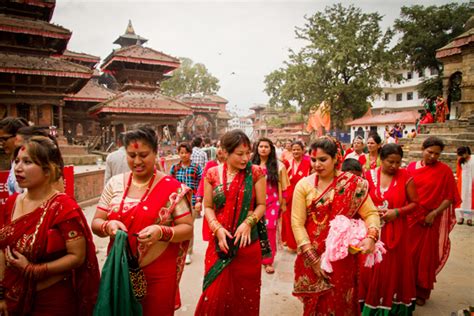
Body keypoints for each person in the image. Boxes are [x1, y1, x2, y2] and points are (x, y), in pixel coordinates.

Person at [92, 126, 194, 315]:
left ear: (156, 153)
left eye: (144, 155)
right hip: (120, 270)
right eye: (131, 155)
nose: (137, 161)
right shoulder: (115, 183)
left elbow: (187, 228)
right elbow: (96, 223)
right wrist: (108, 226)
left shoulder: (172, 188)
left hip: (159, 273)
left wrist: (162, 232)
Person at [0, 136, 100, 315]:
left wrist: (34, 270)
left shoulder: (63, 207)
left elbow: (77, 256)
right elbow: (1, 249)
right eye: (17, 161)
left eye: (28, 162)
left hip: (52, 300)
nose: (18, 168)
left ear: (48, 170)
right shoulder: (11, 203)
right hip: (12, 296)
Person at [291, 137, 380, 315]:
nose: (317, 164)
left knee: (341, 301)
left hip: (342, 257)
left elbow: (371, 214)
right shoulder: (304, 186)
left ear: (336, 158)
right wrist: (313, 259)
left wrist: (371, 237)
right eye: (314, 160)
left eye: (323, 159)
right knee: (315, 305)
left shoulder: (353, 184)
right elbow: (297, 223)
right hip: (312, 254)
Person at [195, 130, 269, 315]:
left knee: (245, 297)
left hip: (247, 244)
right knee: (214, 295)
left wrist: (248, 223)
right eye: (240, 154)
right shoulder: (212, 173)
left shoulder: (256, 172)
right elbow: (209, 207)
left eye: (248, 153)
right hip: (220, 244)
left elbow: (261, 205)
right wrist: (217, 228)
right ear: (225, 153)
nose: (246, 158)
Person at [359, 144, 418, 315]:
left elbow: (415, 203)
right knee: (369, 268)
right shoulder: (368, 175)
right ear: (381, 159)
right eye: (390, 162)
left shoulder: (406, 176)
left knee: (391, 269)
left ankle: (389, 305)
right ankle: (368, 303)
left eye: (398, 162)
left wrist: (397, 212)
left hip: (396, 231)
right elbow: (360, 200)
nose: (394, 166)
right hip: (371, 230)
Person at [407, 136, 461, 306]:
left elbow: (450, 197)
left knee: (426, 257)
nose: (432, 156)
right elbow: (405, 193)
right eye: (430, 152)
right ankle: (406, 290)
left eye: (437, 154)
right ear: (423, 149)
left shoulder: (444, 171)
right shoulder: (411, 168)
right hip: (411, 218)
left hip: (430, 220)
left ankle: (422, 291)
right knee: (408, 256)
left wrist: (435, 213)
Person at [251, 137, 289, 274]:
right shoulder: (250, 165)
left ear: (271, 149)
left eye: (266, 147)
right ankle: (255, 257)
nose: (263, 149)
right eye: (261, 146)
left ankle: (268, 261)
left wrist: (283, 204)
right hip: (254, 203)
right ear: (257, 148)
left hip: (272, 202)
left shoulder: (279, 166)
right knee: (254, 229)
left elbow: (284, 188)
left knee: (270, 230)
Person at [170, 142, 203, 264]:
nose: (183, 155)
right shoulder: (174, 168)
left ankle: (188, 252)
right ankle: (179, 249)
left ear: (190, 153)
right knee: (178, 226)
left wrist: (199, 200)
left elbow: (201, 185)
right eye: (181, 153)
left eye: (186, 153)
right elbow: (171, 184)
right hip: (179, 203)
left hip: (193, 201)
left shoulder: (196, 168)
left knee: (189, 227)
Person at [282, 141, 312, 252]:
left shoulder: (308, 162)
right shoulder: (287, 163)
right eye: (293, 149)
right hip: (289, 196)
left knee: (303, 219)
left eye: (298, 149)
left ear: (303, 150)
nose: (295, 151)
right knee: (289, 219)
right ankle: (292, 244)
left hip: (304, 194)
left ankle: (303, 243)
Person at [196, 141, 226, 241]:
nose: (220, 149)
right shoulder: (210, 164)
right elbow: (203, 183)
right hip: (213, 203)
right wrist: (199, 200)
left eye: (223, 146)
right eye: (218, 147)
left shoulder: (233, 164)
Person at [0, 117, 28, 195]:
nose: (1, 143)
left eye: (4, 139)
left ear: (17, 137)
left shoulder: (32, 163)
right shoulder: (14, 161)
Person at [455, 146, 473, 226]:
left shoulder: (473, 159)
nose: (462, 156)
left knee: (470, 200)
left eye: (463, 154)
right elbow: (458, 171)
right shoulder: (460, 160)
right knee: (462, 199)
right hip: (462, 182)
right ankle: (461, 217)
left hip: (472, 182)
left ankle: (469, 218)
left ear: (466, 152)